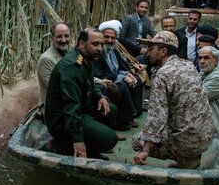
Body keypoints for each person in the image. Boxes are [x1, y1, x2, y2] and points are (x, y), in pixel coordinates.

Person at [132, 31, 214, 168]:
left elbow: (157, 117)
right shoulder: (188, 65)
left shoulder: (163, 75)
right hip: (206, 136)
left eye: (151, 49)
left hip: (188, 142)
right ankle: (189, 158)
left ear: (163, 51)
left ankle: (186, 160)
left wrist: (145, 151)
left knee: (136, 141)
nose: (147, 53)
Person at [44, 28, 118, 159]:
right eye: (95, 44)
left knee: (111, 110)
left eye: (101, 44)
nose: (100, 48)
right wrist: (77, 140)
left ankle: (89, 145)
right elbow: (70, 106)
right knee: (110, 139)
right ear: (82, 44)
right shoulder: (72, 67)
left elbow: (90, 82)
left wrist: (100, 97)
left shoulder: (85, 59)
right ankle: (66, 144)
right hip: (62, 120)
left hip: (81, 109)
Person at [93, 20, 143, 131]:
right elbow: (100, 74)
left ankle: (133, 113)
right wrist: (122, 77)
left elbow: (121, 68)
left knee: (137, 80)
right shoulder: (98, 53)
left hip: (115, 77)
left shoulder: (114, 51)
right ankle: (120, 121)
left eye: (112, 38)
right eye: (106, 37)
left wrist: (128, 74)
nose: (109, 40)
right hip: (104, 80)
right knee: (122, 85)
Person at [37, 22, 71, 105]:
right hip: (56, 108)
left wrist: (99, 81)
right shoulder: (46, 59)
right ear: (52, 38)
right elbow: (58, 90)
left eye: (66, 36)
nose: (63, 40)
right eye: (59, 36)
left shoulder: (69, 53)